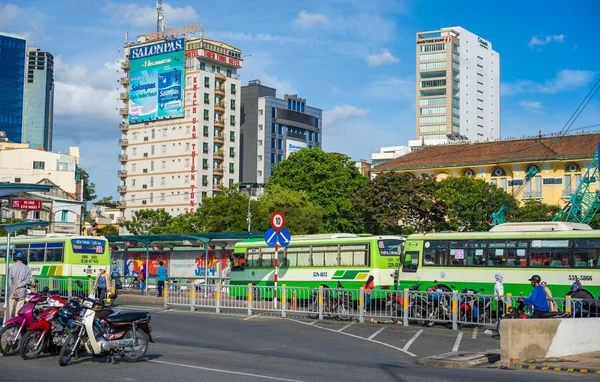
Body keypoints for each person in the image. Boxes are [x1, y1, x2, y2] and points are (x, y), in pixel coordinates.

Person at [7, 251, 32, 320]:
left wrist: (14, 292)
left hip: (12, 293)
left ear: (14, 258)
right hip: (22, 292)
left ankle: (7, 327)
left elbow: (9, 280)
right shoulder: (27, 268)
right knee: (18, 311)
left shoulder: (11, 268)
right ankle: (17, 326)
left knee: (9, 311)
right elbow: (28, 280)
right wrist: (19, 285)